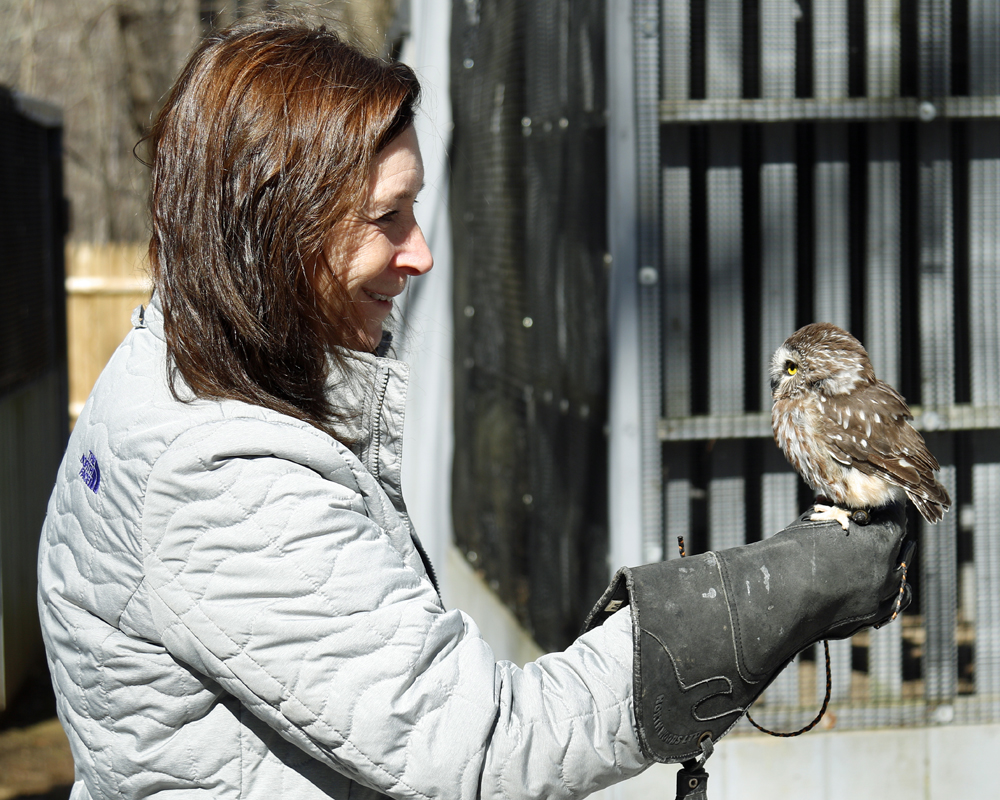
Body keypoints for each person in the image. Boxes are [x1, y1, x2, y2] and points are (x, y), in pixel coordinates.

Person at [38, 16, 911, 800]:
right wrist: (729, 615)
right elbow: (477, 748)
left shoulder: (168, 360)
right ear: (276, 229)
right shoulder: (224, 472)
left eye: (415, 208)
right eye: (387, 216)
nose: (419, 252)